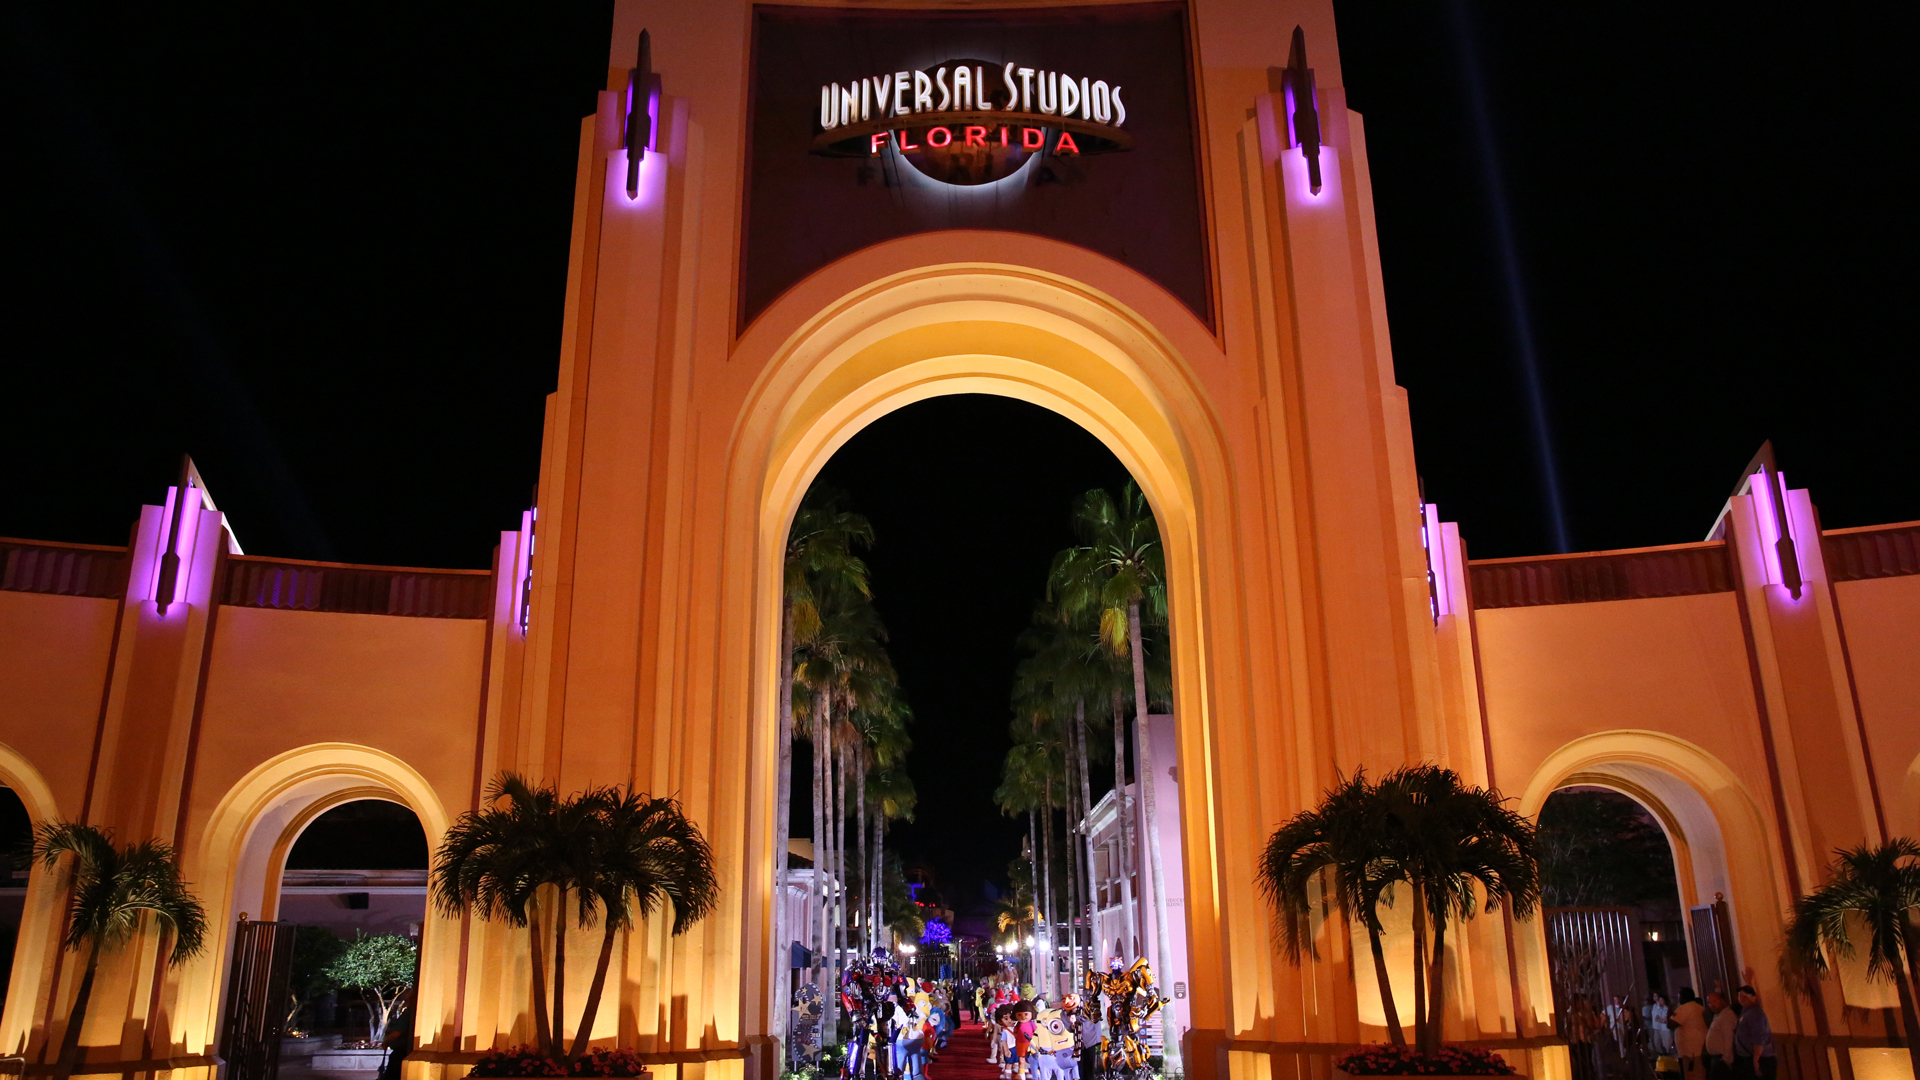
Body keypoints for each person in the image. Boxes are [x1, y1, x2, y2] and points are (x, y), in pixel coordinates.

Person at [1731, 986, 1776, 1080]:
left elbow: (1759, 1037)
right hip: (1748, 1058)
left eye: (1745, 996)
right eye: (1740, 996)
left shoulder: (1755, 1013)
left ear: (1753, 997)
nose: (1742, 998)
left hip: (1761, 1058)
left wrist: (1756, 1059)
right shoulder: (1746, 1010)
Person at [1669, 988, 1709, 1080]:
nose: (1678, 999)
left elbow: (1670, 1024)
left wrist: (1669, 1013)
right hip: (1700, 1048)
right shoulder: (1699, 1007)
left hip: (1691, 1052)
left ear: (1683, 997)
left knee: (1693, 1075)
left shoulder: (1684, 1008)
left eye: (1679, 997)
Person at [1704, 991, 1738, 1080]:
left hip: (1722, 1060)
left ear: (1722, 1001)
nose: (1712, 1005)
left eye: (1715, 1001)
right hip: (1717, 1059)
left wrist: (1726, 1059)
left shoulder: (1727, 1016)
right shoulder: (1718, 1015)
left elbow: (1729, 1038)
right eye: (1709, 1003)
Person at [1646, 992, 1674, 1056]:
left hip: (1665, 1029)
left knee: (1667, 1045)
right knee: (1658, 1043)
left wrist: (1660, 1020)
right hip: (1659, 1028)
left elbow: (1664, 1019)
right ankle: (1661, 1056)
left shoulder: (1666, 1009)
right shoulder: (1655, 1006)